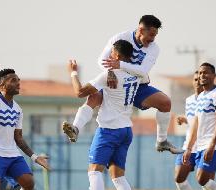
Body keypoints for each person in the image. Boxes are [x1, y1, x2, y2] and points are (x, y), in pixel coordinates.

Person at [63, 15, 180, 154]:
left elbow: (143, 71)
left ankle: (162, 141)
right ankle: (75, 128)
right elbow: (102, 60)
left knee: (165, 102)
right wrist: (111, 72)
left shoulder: (154, 48)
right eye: (151, 35)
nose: (153, 39)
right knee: (93, 97)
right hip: (114, 82)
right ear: (141, 30)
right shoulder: (120, 37)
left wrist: (120, 65)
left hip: (136, 85)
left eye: (155, 35)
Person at [65, 40, 142, 190]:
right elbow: (144, 77)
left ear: (116, 56)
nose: (108, 56)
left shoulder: (108, 76)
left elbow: (79, 92)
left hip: (109, 130)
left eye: (111, 53)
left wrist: (73, 72)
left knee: (94, 171)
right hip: (126, 130)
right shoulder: (137, 74)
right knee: (118, 176)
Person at [172, 71, 216, 190]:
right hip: (189, 145)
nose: (198, 82)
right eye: (195, 79)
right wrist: (185, 119)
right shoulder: (189, 100)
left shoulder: (213, 97)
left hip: (205, 145)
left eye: (200, 79)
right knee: (179, 177)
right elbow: (196, 122)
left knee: (205, 182)